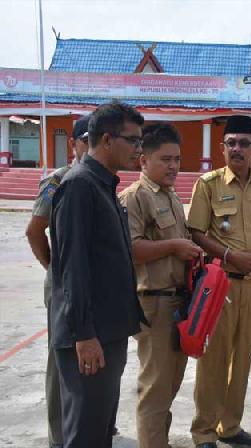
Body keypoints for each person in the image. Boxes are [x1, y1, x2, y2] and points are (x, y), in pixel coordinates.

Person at [48, 101, 146, 448]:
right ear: (107, 139)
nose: (139, 149)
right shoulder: (79, 187)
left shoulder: (102, 185)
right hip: (90, 338)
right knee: (85, 436)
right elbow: (73, 269)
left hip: (107, 333)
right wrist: (84, 336)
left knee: (100, 431)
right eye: (133, 141)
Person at [188, 115, 251, 448]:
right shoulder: (208, 184)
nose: (237, 149)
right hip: (220, 286)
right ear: (222, 147)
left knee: (242, 359)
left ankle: (230, 427)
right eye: (231, 143)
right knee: (213, 361)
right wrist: (229, 256)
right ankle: (203, 433)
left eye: (244, 143)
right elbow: (196, 233)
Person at [118, 123, 202, 448]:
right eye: (165, 159)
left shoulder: (170, 196)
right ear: (143, 161)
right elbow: (131, 249)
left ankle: (159, 442)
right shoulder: (134, 198)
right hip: (153, 305)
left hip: (179, 302)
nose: (173, 166)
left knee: (171, 385)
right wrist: (174, 247)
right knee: (155, 388)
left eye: (177, 159)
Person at [25, 114, 90, 448]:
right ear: (74, 144)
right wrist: (56, 270)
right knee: (61, 364)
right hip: (66, 288)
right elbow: (35, 231)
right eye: (87, 141)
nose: (93, 148)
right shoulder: (59, 181)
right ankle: (59, 436)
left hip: (93, 287)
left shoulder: (102, 178)